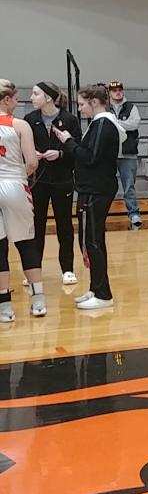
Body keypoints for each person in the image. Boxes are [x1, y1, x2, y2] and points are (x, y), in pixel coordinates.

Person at [53, 84, 124, 310]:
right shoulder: (98, 123)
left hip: (97, 189)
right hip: (92, 188)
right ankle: (96, 287)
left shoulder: (103, 123)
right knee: (92, 241)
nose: (80, 109)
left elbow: (90, 157)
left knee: (93, 241)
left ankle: (103, 294)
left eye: (83, 104)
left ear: (94, 102)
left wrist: (68, 141)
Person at [25, 81, 82, 285]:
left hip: (62, 179)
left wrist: (59, 153)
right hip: (38, 180)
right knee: (36, 225)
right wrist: (33, 156)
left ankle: (67, 269)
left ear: (48, 97)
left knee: (64, 225)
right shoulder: (29, 120)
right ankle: (34, 270)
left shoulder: (69, 119)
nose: (31, 97)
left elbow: (77, 150)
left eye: (35, 93)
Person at [0, 80, 46, 322]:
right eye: (15, 98)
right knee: (27, 243)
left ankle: (4, 308)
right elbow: (32, 162)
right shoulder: (20, 125)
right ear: (6, 100)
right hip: (14, 184)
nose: (18, 103)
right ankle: (38, 301)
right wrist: (20, 175)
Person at [106, 80, 142, 230]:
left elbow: (135, 124)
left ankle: (134, 214)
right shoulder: (105, 107)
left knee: (129, 186)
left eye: (120, 90)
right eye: (114, 90)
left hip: (128, 154)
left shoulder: (131, 107)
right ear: (109, 92)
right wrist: (122, 123)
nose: (118, 92)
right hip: (109, 154)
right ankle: (103, 213)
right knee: (106, 186)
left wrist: (115, 122)